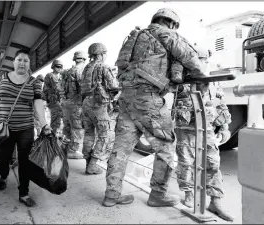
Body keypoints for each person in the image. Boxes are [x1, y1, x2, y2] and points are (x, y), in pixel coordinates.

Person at [103, 8, 208, 208]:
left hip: (126, 99)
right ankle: (157, 194)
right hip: (148, 98)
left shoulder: (133, 38)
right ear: (172, 23)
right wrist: (199, 74)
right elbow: (189, 57)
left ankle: (111, 195)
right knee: (166, 146)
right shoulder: (164, 33)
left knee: (121, 149)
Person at [0, 49, 52, 207]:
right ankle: (4, 175)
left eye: (26, 61)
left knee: (24, 160)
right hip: (3, 127)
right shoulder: (4, 78)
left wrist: (44, 123)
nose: (22, 63)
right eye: (19, 59)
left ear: (29, 64)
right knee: (3, 156)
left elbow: (38, 105)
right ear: (13, 62)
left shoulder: (34, 82)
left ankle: (24, 193)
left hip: (25, 127)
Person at [174, 46, 233, 221]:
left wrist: (225, 127)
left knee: (213, 163)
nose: (202, 63)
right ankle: (189, 194)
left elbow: (221, 104)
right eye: (199, 59)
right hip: (186, 129)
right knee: (186, 162)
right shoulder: (182, 81)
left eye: (205, 59)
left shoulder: (214, 80)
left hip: (207, 129)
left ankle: (215, 201)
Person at [81, 43, 119, 175]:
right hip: (98, 104)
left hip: (85, 103)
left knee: (89, 134)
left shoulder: (86, 68)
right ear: (101, 54)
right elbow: (113, 86)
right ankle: (92, 164)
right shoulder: (103, 67)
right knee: (105, 135)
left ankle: (87, 162)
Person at [61, 51, 87, 159]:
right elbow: (83, 88)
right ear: (84, 59)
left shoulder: (68, 71)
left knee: (67, 127)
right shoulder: (80, 70)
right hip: (76, 104)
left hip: (66, 103)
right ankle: (72, 151)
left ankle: (65, 148)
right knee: (77, 128)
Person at [43, 60, 65, 138]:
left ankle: (57, 135)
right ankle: (52, 136)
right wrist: (47, 100)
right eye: (57, 66)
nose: (59, 68)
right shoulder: (49, 76)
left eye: (61, 67)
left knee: (61, 119)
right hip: (53, 101)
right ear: (53, 67)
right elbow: (45, 89)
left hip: (61, 101)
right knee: (56, 119)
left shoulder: (62, 77)